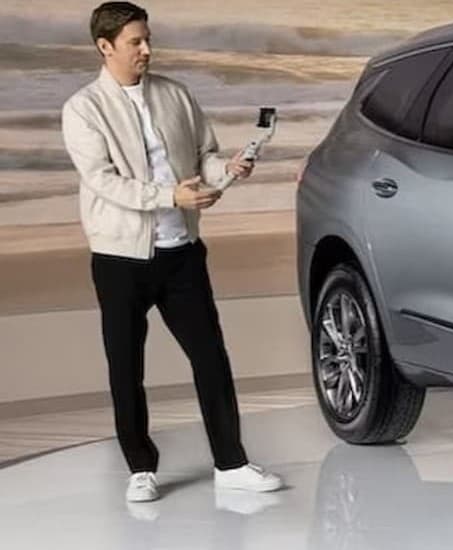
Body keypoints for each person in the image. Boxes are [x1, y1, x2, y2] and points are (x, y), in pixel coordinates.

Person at [60, 1, 283, 502]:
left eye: (148, 39)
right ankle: (140, 467)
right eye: (135, 41)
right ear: (105, 46)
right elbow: (101, 181)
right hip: (120, 259)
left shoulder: (175, 95)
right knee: (126, 366)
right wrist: (169, 196)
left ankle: (231, 463)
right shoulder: (82, 108)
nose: (146, 49)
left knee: (211, 358)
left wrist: (227, 168)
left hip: (182, 251)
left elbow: (201, 154)